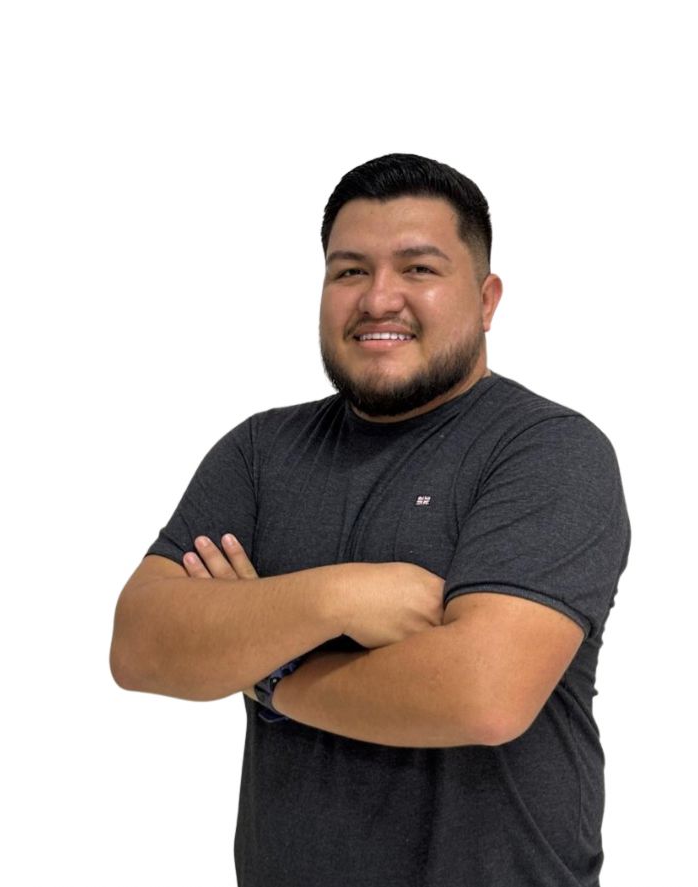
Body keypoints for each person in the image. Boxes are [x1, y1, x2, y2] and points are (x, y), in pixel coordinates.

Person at [110, 152, 630, 887]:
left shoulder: (547, 451)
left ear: (486, 300)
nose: (379, 297)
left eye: (418, 268)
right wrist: (341, 596)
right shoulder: (261, 453)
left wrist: (268, 669)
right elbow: (140, 644)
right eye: (350, 271)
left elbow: (483, 694)